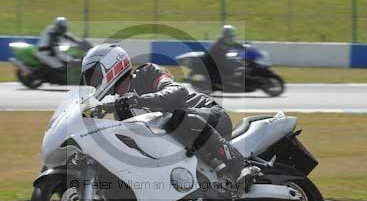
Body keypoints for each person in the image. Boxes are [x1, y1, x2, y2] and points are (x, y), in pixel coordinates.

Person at [80, 44, 258, 192]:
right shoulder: (122, 110)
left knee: (178, 118)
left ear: (111, 66)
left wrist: (138, 99)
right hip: (188, 142)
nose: (92, 82)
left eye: (94, 75)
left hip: (209, 116)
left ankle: (241, 166)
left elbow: (177, 91)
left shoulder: (147, 73)